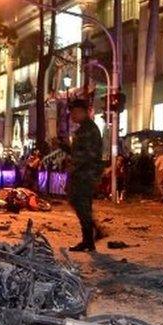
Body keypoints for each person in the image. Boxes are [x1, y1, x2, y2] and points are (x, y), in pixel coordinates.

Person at [63, 99, 103, 252]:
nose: (72, 116)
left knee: (82, 205)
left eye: (74, 112)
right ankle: (91, 235)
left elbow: (86, 155)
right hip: (82, 173)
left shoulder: (89, 130)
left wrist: (72, 167)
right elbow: (77, 152)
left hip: (85, 174)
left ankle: (89, 239)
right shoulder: (83, 129)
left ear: (84, 112)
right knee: (79, 203)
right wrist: (62, 146)